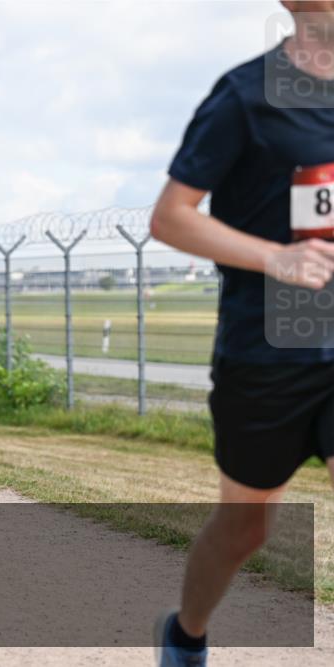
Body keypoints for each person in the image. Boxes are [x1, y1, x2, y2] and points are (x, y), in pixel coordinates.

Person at [149, 3, 334, 665]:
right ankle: (186, 634)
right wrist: (276, 257)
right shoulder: (246, 95)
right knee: (245, 529)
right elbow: (171, 218)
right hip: (268, 352)